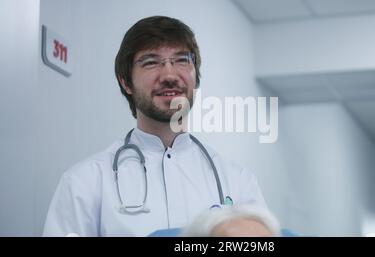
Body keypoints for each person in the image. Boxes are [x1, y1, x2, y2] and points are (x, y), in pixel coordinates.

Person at [43, 16, 267, 236]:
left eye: (182, 60)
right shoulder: (84, 183)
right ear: (125, 81)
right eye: (151, 62)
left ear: (196, 77)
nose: (170, 75)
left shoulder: (238, 182)